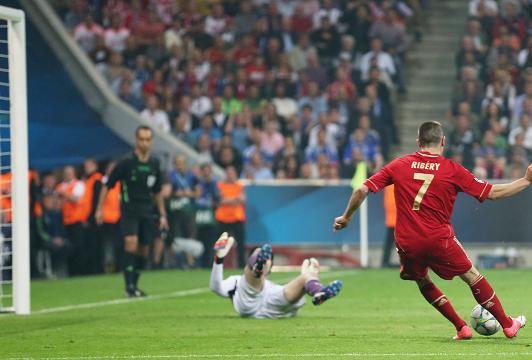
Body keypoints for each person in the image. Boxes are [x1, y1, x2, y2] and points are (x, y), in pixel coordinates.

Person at [334, 121, 530, 340]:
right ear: (443, 141)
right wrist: (525, 181)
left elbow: (362, 189)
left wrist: (346, 217)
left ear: (418, 142)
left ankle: (461, 327)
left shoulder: (399, 165)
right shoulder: (452, 169)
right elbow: (493, 193)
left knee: (421, 279)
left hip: (407, 242)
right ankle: (507, 324)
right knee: (472, 276)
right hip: (438, 238)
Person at [95, 126, 168, 297]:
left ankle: (134, 285)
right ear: (136, 140)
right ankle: (128, 286)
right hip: (129, 210)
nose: (144, 142)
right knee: (131, 243)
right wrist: (99, 208)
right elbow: (107, 184)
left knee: (143, 250)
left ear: (151, 141)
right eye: (141, 139)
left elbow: (157, 191)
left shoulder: (154, 163)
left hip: (147, 211)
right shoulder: (126, 162)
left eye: (148, 139)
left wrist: (163, 214)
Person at [209, 232, 342, 318]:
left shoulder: (272, 287)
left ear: (270, 267)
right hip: (250, 304)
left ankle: (318, 292)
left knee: (305, 277)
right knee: (251, 282)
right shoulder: (237, 281)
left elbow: (294, 302)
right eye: (262, 258)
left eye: (267, 260)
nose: (266, 261)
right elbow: (216, 287)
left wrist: (306, 279)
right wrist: (218, 260)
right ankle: (256, 267)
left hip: (271, 306)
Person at [215, 166, 246, 268]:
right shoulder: (220, 185)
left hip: (237, 218)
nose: (230, 176)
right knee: (220, 244)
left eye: (232, 173)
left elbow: (242, 199)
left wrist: (227, 200)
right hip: (222, 218)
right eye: (228, 173)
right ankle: (218, 264)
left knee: (240, 245)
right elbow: (220, 200)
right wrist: (234, 199)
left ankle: (241, 265)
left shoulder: (240, 186)